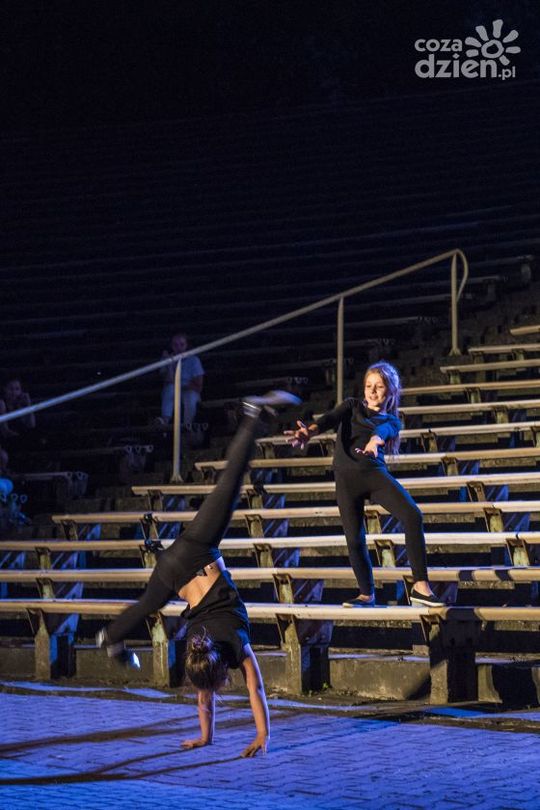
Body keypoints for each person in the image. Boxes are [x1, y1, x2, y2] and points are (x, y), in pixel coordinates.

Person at [97, 390, 300, 757]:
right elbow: (206, 697)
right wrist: (207, 738)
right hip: (174, 568)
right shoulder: (197, 651)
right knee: (147, 605)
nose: (209, 693)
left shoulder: (232, 648)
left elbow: (254, 689)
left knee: (230, 486)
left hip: (198, 552)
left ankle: (252, 416)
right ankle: (111, 637)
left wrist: (262, 735)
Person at [285, 361, 445, 608]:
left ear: (390, 391)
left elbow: (383, 431)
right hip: (345, 480)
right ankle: (366, 594)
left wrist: (374, 441)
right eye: (369, 386)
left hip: (373, 476)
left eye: (379, 386)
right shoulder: (352, 406)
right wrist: (310, 432)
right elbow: (329, 419)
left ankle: (420, 586)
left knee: (413, 515)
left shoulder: (392, 420)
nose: (372, 391)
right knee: (354, 539)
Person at [160, 332, 204, 427]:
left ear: (186, 345)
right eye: (175, 345)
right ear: (171, 346)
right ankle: (165, 421)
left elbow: (198, 386)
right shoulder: (166, 359)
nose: (179, 348)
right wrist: (170, 364)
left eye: (182, 344)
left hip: (189, 390)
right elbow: (168, 380)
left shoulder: (194, 360)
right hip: (173, 390)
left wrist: (182, 386)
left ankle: (188, 426)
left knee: (190, 397)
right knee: (169, 389)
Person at [0, 377, 36, 441]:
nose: (14, 392)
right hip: (7, 439)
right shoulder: (1, 403)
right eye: (10, 389)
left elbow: (31, 425)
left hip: (20, 436)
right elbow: (5, 431)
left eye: (17, 389)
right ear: (4, 389)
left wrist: (28, 405)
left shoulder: (20, 404)